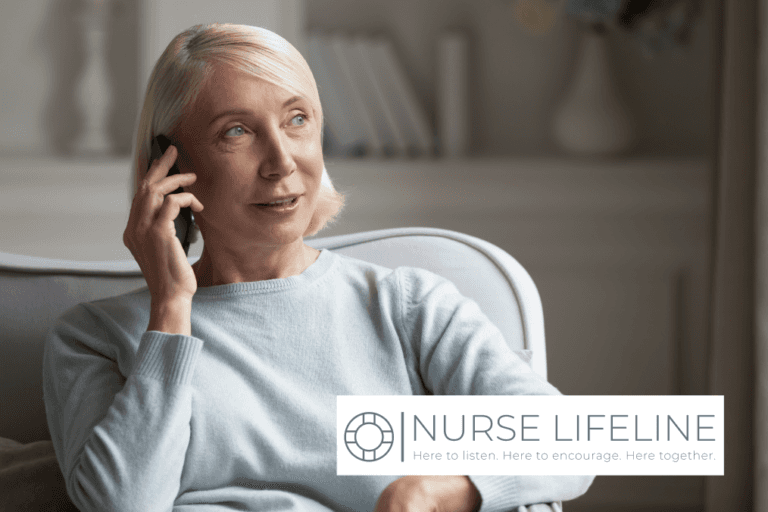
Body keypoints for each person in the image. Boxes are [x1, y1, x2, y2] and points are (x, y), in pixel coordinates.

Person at [42, 23, 594, 512]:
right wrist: (170, 309)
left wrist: (446, 489)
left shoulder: (408, 306)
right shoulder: (92, 338)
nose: (282, 161)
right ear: (171, 166)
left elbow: (569, 442)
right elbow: (125, 504)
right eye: (237, 131)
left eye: (297, 120)